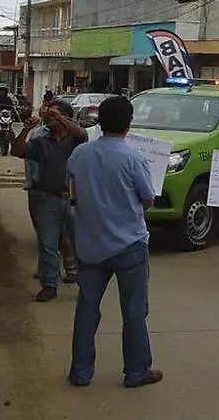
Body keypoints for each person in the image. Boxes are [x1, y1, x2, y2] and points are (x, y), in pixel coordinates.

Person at [66, 96, 163, 389]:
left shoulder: (79, 154)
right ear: (129, 124)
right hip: (129, 244)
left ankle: (81, 372)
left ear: (99, 121)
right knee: (134, 311)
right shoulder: (134, 158)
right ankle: (136, 371)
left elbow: (68, 189)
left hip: (90, 243)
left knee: (87, 307)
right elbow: (147, 199)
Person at [12, 98, 88, 302]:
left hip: (74, 199)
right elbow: (18, 151)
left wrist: (62, 120)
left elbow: (83, 135)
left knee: (79, 242)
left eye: (56, 114)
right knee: (47, 243)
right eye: (49, 114)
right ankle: (49, 284)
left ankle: (86, 283)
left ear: (65, 117)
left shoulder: (75, 141)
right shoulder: (40, 140)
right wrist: (25, 131)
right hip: (47, 198)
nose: (50, 118)